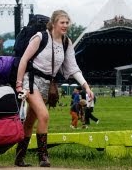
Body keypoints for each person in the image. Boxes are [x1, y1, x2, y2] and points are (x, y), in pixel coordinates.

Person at [14, 10, 94, 167]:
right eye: (62, 22)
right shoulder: (40, 37)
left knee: (30, 121)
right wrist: (18, 84)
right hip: (30, 81)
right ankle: (43, 157)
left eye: (67, 22)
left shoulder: (66, 42)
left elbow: (73, 67)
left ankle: (19, 156)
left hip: (47, 84)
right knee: (44, 116)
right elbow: (24, 60)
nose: (65, 25)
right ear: (54, 23)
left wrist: (86, 86)